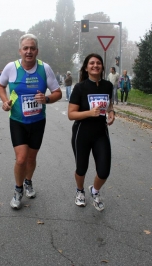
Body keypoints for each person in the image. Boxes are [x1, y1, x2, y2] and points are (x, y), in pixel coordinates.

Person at [0, 33, 62, 210]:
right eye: (25, 48)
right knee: (21, 158)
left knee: (32, 157)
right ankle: (18, 190)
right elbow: (0, 85)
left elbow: (58, 92)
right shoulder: (11, 67)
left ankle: (28, 182)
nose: (29, 51)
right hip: (17, 119)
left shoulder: (44, 68)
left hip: (38, 120)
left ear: (37, 51)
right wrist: (5, 101)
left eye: (32, 48)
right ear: (20, 50)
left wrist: (46, 99)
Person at [68, 53, 115, 211]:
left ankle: (94, 191)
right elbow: (71, 114)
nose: (95, 65)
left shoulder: (108, 86)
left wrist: (111, 112)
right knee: (81, 168)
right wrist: (89, 113)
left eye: (98, 63)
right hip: (82, 133)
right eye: (92, 63)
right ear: (86, 67)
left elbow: (109, 105)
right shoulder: (80, 87)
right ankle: (80, 191)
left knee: (104, 170)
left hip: (101, 133)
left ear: (102, 67)